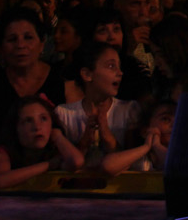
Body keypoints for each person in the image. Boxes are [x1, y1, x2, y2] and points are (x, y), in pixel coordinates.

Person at [0, 8, 66, 162]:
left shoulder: (64, 83)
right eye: (12, 39)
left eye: (28, 37)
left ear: (42, 44)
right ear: (0, 48)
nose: (20, 45)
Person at [54, 41, 143, 170]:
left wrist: (107, 135)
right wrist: (84, 143)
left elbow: (132, 164)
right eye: (111, 66)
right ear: (87, 74)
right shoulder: (64, 114)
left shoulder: (129, 110)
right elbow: (62, 165)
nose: (120, 73)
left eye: (119, 67)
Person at [0, 95, 84, 188]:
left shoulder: (54, 151)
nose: (37, 127)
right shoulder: (4, 152)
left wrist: (58, 137)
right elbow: (0, 181)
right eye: (28, 120)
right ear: (16, 127)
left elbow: (77, 162)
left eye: (43, 118)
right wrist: (48, 165)